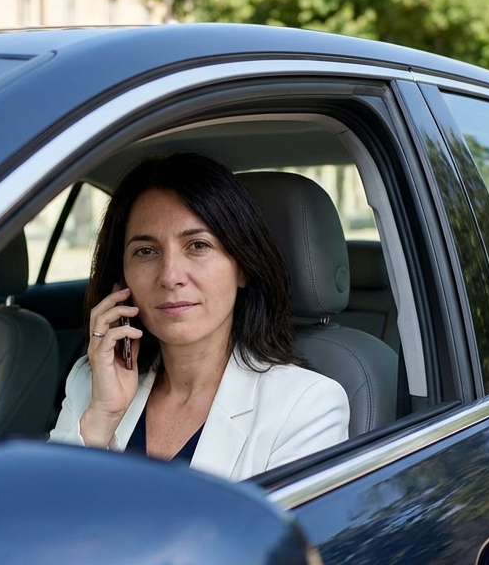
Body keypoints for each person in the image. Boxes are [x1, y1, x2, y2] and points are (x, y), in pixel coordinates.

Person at [49, 153, 349, 481]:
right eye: (145, 251)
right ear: (122, 279)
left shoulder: (306, 406)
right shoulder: (91, 382)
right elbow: (40, 510)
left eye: (198, 246)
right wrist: (100, 420)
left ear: (243, 268)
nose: (170, 276)